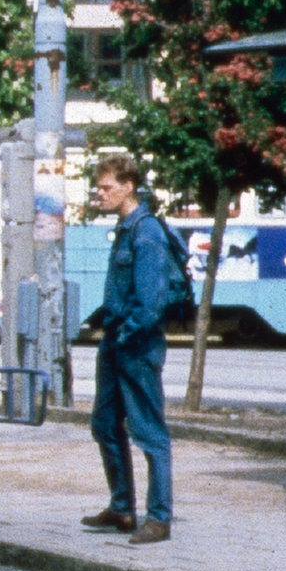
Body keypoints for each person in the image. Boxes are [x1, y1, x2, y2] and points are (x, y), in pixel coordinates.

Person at [80, 154, 178, 545]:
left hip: (136, 346)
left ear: (127, 186)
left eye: (106, 187)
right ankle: (122, 509)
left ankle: (159, 518)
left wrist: (125, 334)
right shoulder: (125, 229)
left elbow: (151, 303)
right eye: (98, 187)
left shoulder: (146, 232)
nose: (99, 194)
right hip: (115, 342)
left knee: (148, 432)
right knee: (104, 424)